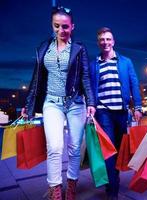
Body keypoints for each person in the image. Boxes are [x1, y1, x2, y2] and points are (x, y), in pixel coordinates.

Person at [21, 6, 96, 200]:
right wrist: (28, 105)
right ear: (52, 25)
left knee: (74, 148)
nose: (61, 30)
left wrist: (91, 102)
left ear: (72, 27)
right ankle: (55, 190)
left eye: (65, 27)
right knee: (54, 147)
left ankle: (71, 185)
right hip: (51, 103)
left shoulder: (79, 48)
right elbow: (36, 78)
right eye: (56, 26)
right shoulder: (43, 48)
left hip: (75, 103)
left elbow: (86, 77)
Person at [90, 27, 142, 200]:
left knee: (120, 150)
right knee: (109, 150)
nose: (105, 42)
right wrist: (90, 105)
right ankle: (112, 190)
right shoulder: (94, 64)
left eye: (108, 39)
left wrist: (138, 107)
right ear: (98, 43)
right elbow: (90, 88)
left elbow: (134, 83)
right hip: (103, 112)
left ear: (113, 42)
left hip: (121, 111)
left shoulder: (125, 62)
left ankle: (112, 178)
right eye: (102, 40)